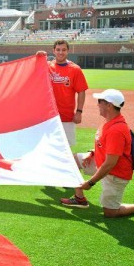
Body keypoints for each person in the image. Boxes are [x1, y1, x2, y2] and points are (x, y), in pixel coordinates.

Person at [61, 89, 134, 217]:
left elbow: (110, 164)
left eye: (100, 101)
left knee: (110, 213)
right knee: (73, 159)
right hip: (102, 162)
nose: (97, 104)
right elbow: (105, 146)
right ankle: (79, 198)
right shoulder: (108, 120)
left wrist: (90, 182)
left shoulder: (116, 130)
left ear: (109, 105)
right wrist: (92, 152)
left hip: (115, 174)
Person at [38, 39, 89, 206]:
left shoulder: (75, 69)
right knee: (49, 145)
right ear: (53, 50)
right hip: (49, 116)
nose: (60, 52)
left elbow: (81, 92)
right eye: (58, 50)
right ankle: (51, 174)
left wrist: (79, 111)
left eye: (63, 50)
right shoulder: (47, 66)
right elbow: (33, 71)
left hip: (67, 116)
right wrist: (38, 57)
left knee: (66, 148)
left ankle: (66, 175)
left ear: (68, 51)